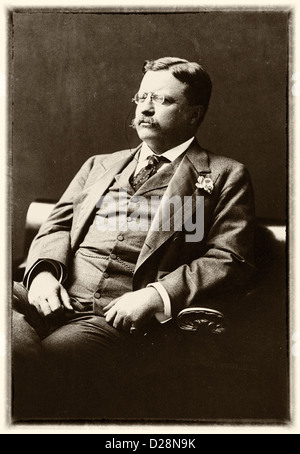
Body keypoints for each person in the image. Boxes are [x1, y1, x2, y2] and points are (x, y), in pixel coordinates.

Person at [12, 57, 255, 420]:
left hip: (118, 318)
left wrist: (155, 296)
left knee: (49, 358)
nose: (145, 108)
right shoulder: (99, 164)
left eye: (163, 100)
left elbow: (226, 257)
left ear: (194, 114)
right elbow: (57, 225)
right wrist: (44, 274)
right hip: (54, 295)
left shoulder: (223, 175)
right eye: (141, 97)